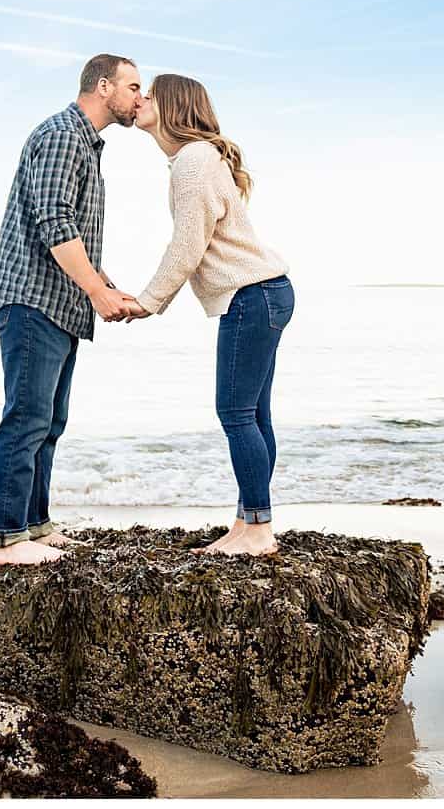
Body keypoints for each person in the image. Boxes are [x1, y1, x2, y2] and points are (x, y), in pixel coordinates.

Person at [0, 54, 145, 565]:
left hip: (58, 303)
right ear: (103, 86)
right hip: (31, 299)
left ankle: (36, 525)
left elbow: (73, 235)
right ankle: (6, 539)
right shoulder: (60, 134)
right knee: (26, 419)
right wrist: (96, 292)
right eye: (133, 86)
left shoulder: (86, 145)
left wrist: (106, 286)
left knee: (49, 422)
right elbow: (53, 222)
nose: (140, 97)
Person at [132, 73, 293, 556]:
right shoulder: (197, 158)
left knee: (236, 413)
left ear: (172, 105)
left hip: (252, 295)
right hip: (268, 292)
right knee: (254, 414)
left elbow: (187, 245)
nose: (139, 99)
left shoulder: (193, 162)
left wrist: (148, 301)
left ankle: (259, 530)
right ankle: (248, 524)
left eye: (148, 93)